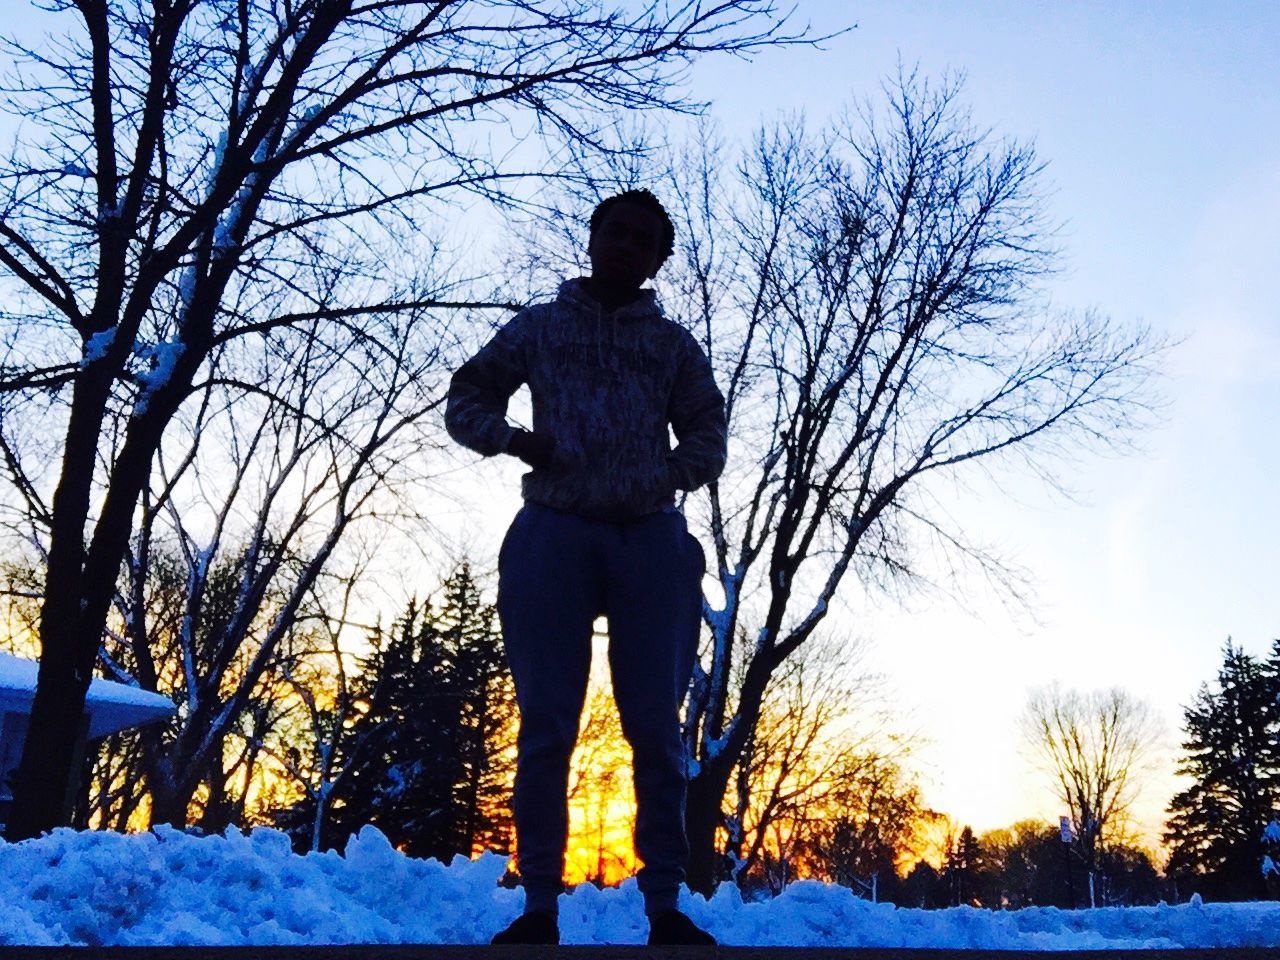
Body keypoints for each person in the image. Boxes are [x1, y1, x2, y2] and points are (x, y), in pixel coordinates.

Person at [445, 189, 727, 946]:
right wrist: (513, 440)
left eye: (645, 242)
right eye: (617, 233)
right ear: (593, 237)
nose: (627, 246)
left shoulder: (672, 347)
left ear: (658, 260)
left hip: (650, 540)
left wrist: (668, 475)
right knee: (545, 725)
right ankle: (538, 904)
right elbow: (466, 395)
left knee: (657, 730)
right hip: (553, 531)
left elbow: (708, 428)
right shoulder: (541, 327)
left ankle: (666, 904)